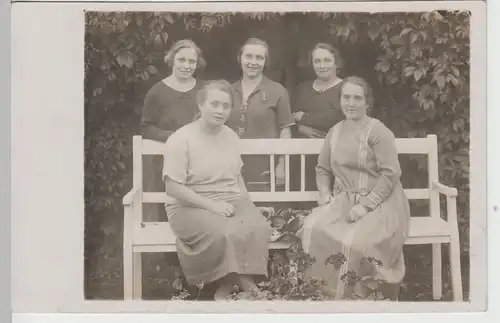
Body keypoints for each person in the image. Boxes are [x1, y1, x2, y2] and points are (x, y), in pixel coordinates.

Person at [297, 76, 411, 300]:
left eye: (357, 98)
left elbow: (391, 173)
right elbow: (322, 168)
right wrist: (324, 194)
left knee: (357, 242)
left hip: (381, 201)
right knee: (312, 228)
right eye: (346, 97)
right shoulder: (335, 131)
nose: (351, 103)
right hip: (344, 198)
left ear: (367, 102)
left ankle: (360, 296)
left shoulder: (378, 131)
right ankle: (324, 292)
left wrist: (366, 205)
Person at [163, 80, 274, 300]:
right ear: (201, 105)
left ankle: (227, 286)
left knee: (259, 226)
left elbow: (237, 176)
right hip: (188, 206)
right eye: (214, 104)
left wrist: (249, 206)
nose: (220, 110)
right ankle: (248, 286)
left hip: (229, 200)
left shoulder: (231, 136)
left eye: (225, 106)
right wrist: (212, 206)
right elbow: (173, 187)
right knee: (226, 231)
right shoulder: (181, 138)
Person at [140, 39, 205, 222]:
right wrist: (173, 138)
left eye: (191, 62)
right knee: (165, 215)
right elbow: (146, 127)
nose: (186, 66)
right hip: (165, 162)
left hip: (198, 162)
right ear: (172, 60)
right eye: (181, 60)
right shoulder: (157, 92)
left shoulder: (203, 90)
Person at [226, 37, 295, 191]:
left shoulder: (277, 90)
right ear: (240, 58)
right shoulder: (228, 90)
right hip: (230, 165)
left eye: (259, 58)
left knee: (264, 210)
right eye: (248, 56)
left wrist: (282, 165)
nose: (253, 62)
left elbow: (285, 130)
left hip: (265, 164)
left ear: (265, 62)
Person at [290, 43, 345, 191]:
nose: (322, 65)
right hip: (303, 161)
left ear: (336, 62)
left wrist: (303, 119)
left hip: (336, 159)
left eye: (327, 60)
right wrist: (301, 128)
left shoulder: (346, 88)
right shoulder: (302, 89)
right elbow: (289, 119)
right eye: (317, 61)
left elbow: (336, 120)